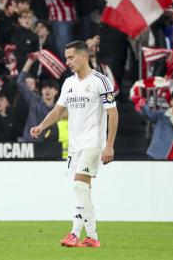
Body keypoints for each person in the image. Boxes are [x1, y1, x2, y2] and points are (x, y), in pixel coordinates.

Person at [30, 40, 119, 248]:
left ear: (84, 56)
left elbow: (113, 115)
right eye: (66, 57)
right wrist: (41, 126)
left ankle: (74, 234)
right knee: (82, 190)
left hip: (92, 143)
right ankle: (93, 238)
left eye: (71, 57)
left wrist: (109, 145)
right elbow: (58, 111)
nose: (67, 61)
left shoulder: (100, 81)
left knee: (80, 186)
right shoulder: (69, 83)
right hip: (75, 145)